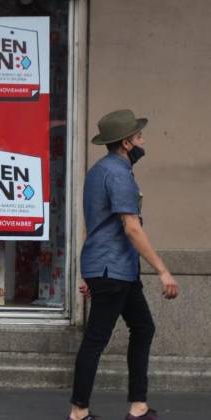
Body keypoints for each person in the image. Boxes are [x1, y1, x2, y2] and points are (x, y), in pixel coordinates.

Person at [67, 110, 179, 420]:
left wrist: (90, 272)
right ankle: (78, 412)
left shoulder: (98, 171)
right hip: (113, 269)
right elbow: (131, 227)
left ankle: (138, 407)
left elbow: (95, 224)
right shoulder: (118, 174)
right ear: (127, 143)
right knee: (95, 340)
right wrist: (163, 270)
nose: (143, 141)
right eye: (139, 136)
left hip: (113, 269)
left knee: (143, 327)